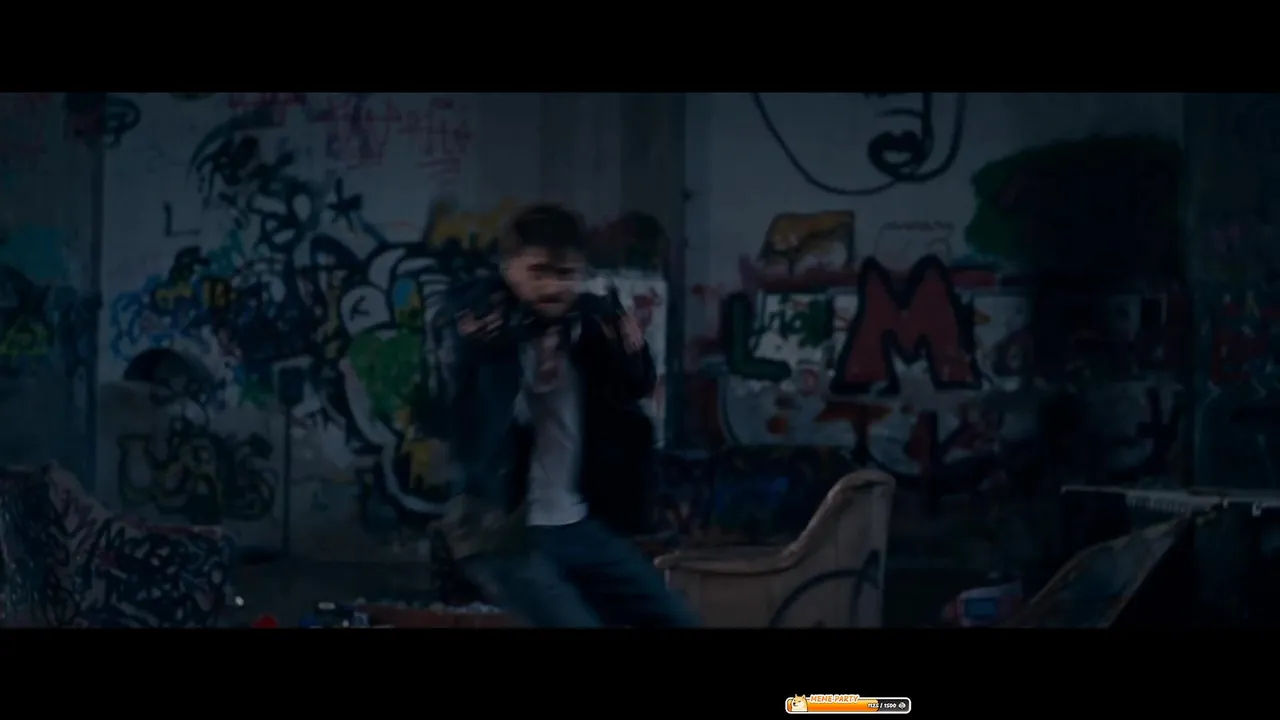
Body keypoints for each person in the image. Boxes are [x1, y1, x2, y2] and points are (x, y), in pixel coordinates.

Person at [434, 202, 697, 628]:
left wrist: (629, 348)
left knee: (674, 619)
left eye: (565, 273)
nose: (553, 286)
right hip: (503, 530)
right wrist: (497, 333)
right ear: (509, 269)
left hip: (576, 524)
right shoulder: (483, 324)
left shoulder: (588, 326)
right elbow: (458, 352)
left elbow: (634, 388)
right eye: (538, 272)